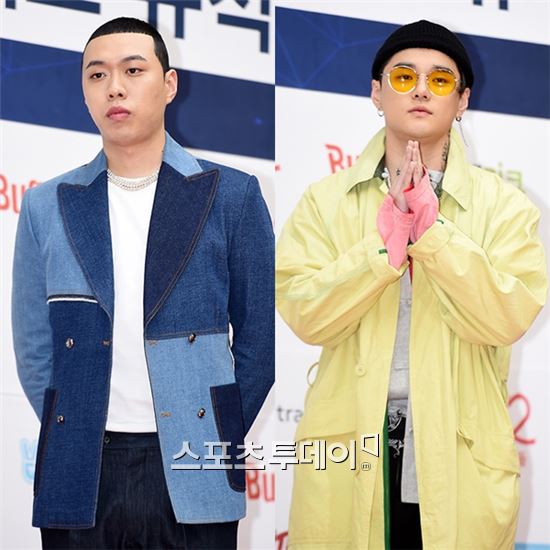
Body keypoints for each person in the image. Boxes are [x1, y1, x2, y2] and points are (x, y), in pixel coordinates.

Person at [276, 19, 547, 550]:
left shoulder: (505, 207)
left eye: (440, 80)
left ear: (462, 100)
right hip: (352, 442)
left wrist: (432, 235)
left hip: (457, 448)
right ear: (377, 93)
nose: (421, 90)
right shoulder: (325, 202)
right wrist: (385, 248)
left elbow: (509, 315)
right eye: (403, 77)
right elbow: (305, 313)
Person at [11, 16, 274, 550]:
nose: (115, 87)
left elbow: (258, 346)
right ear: (84, 91)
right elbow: (34, 346)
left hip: (194, 461)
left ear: (169, 84)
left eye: (133, 70)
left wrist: (214, 433)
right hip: (80, 468)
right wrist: (73, 427)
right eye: (97, 75)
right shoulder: (46, 205)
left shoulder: (231, 195)